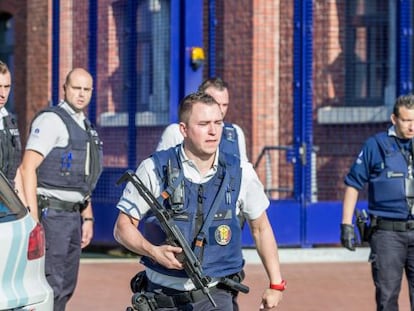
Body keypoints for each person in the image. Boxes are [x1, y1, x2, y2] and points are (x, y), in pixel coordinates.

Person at [114, 91, 285, 310]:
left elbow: (261, 228)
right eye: (203, 124)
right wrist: (153, 251)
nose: (213, 131)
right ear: (183, 129)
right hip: (159, 297)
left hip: (215, 296)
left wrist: (276, 284)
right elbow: (122, 227)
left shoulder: (241, 171)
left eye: (218, 122)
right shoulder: (154, 168)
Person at [19, 68, 103, 311]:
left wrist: (87, 217)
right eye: (76, 88)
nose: (81, 94)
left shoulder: (85, 125)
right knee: (50, 285)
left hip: (73, 216)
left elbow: (81, 180)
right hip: (51, 215)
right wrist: (34, 219)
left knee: (66, 285)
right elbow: (27, 168)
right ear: (64, 89)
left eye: (86, 89)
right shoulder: (51, 121)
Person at [340, 94, 414, 311]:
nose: (412, 126)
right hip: (387, 233)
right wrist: (346, 225)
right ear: (394, 119)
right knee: (387, 296)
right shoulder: (376, 145)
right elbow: (353, 184)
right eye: (407, 120)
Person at [156, 77, 248, 162]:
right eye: (215, 103)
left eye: (225, 105)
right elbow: (158, 170)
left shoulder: (234, 133)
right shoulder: (175, 133)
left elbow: (245, 174)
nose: (221, 110)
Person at [0, 61, 24, 196]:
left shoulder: (10, 122)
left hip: (8, 208)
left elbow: (16, 171)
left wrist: (27, 211)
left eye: (7, 87)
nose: (3, 93)